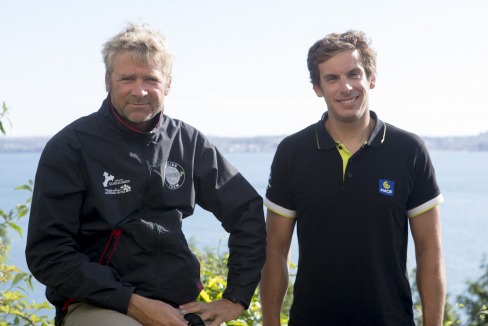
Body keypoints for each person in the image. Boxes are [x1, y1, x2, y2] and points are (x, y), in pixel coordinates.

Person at [25, 22, 266, 326]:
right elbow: (47, 254)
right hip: (96, 304)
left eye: (150, 79)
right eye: (127, 78)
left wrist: (236, 297)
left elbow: (246, 211)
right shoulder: (72, 147)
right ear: (107, 81)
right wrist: (131, 302)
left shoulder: (188, 142)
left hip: (177, 307)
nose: (139, 91)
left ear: (167, 84)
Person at [260, 30, 446, 325]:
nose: (345, 87)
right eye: (332, 78)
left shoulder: (409, 150)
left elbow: (430, 251)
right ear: (318, 88)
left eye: (353, 74)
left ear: (371, 78)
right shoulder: (292, 152)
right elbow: (275, 250)